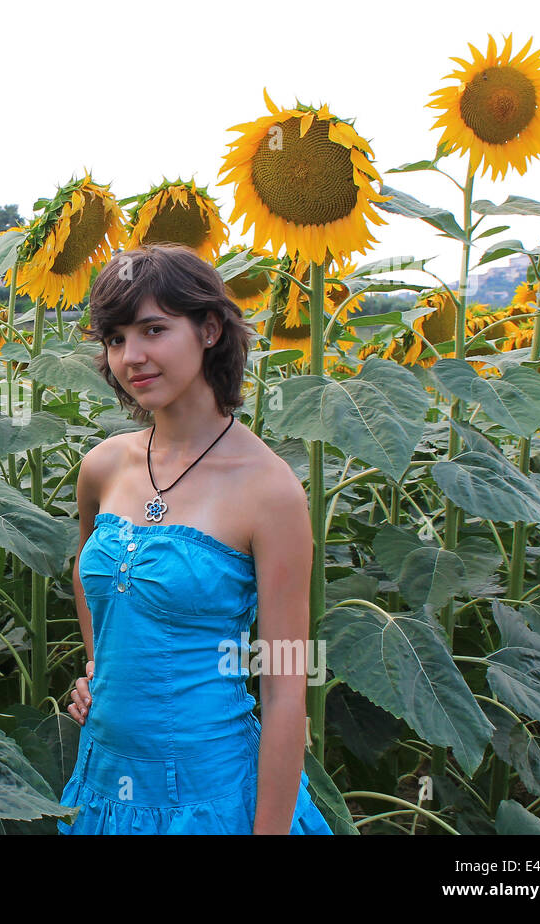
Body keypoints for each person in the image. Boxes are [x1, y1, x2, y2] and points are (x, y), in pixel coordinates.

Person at [59, 243, 333, 835]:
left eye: (154, 330)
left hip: (214, 797)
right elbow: (89, 572)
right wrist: (99, 668)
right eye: (115, 338)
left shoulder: (269, 491)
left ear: (209, 329)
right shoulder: (104, 467)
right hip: (104, 785)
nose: (131, 357)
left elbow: (286, 683)